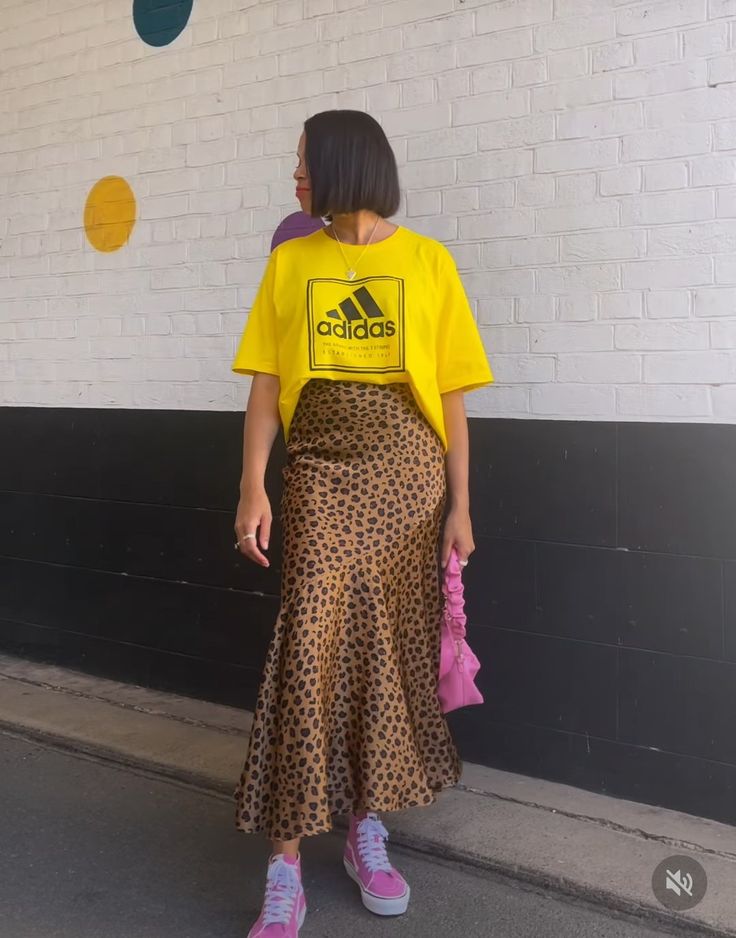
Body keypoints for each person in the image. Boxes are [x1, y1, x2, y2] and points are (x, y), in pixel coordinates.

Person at [232, 110, 493, 938]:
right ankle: (284, 865)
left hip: (410, 480)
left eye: (304, 162)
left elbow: (451, 397)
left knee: (388, 657)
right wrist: (252, 485)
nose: (296, 178)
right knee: (307, 648)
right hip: (319, 471)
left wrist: (461, 505)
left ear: (346, 166)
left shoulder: (428, 261)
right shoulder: (291, 261)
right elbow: (267, 384)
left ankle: (365, 829)